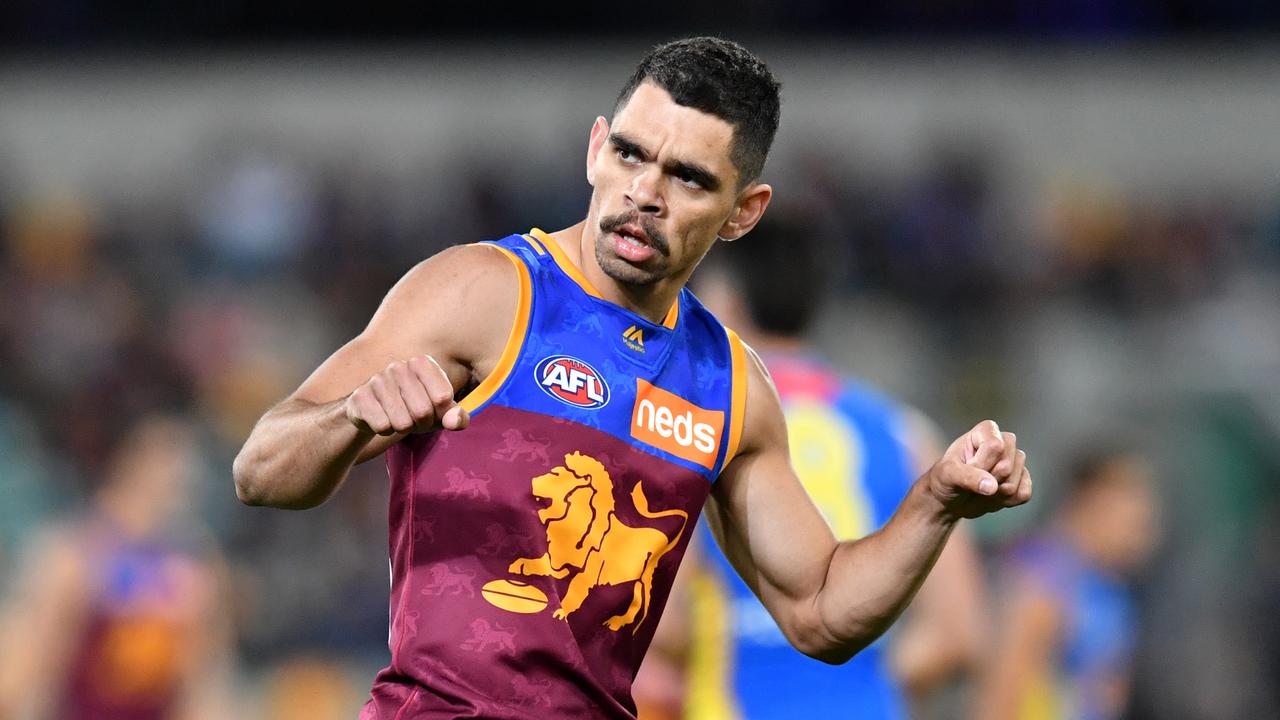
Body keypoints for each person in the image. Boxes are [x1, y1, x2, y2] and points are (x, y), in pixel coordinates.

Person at [233, 36, 1032, 719]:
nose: (644, 193)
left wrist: (935, 502)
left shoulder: (729, 387)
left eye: (687, 177)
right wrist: (350, 419)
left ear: (743, 211)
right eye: (629, 154)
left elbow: (822, 614)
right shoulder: (481, 294)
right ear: (594, 148)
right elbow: (261, 470)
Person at [633, 213, 986, 719]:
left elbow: (665, 622)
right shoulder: (905, 434)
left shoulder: (693, 427)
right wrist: (850, 687)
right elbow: (957, 634)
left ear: (725, 299)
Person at [0, 415, 235, 720]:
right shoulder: (74, 552)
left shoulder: (194, 563)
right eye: (168, 461)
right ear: (130, 461)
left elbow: (204, 679)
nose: (182, 477)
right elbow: (26, 664)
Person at [973, 450, 1157, 720]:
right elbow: (1001, 694)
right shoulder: (1043, 576)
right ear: (1094, 500)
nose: (1147, 536)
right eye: (1136, 521)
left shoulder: (1109, 583)